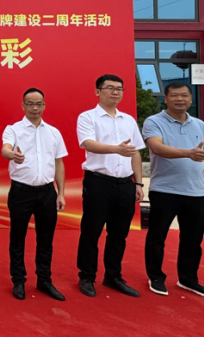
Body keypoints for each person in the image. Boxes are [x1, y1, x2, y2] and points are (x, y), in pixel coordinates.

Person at [142, 82, 204, 299]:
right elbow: (157, 147)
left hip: (196, 192)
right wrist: (188, 153)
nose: (180, 99)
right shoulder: (154, 121)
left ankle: (188, 278)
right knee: (157, 236)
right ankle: (156, 277)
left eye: (185, 95)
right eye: (175, 95)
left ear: (191, 99)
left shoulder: (199, 124)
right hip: (165, 190)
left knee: (193, 239)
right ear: (166, 99)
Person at [75, 74, 145, 298]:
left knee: (119, 234)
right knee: (91, 231)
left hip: (125, 184)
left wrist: (138, 182)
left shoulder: (128, 120)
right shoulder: (88, 117)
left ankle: (113, 276)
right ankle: (87, 276)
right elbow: (88, 144)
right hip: (98, 182)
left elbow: (135, 153)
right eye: (110, 88)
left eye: (119, 88)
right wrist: (116, 149)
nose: (115, 92)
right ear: (98, 92)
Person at [1, 88, 67, 301]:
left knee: (46, 240)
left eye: (38, 103)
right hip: (21, 192)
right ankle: (18, 280)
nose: (35, 108)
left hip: (47, 192)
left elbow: (59, 163)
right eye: (30, 103)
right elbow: (5, 149)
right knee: (17, 238)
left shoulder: (53, 132)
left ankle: (44, 280)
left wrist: (61, 193)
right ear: (23, 106)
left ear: (44, 106)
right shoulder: (13, 129)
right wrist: (12, 154)